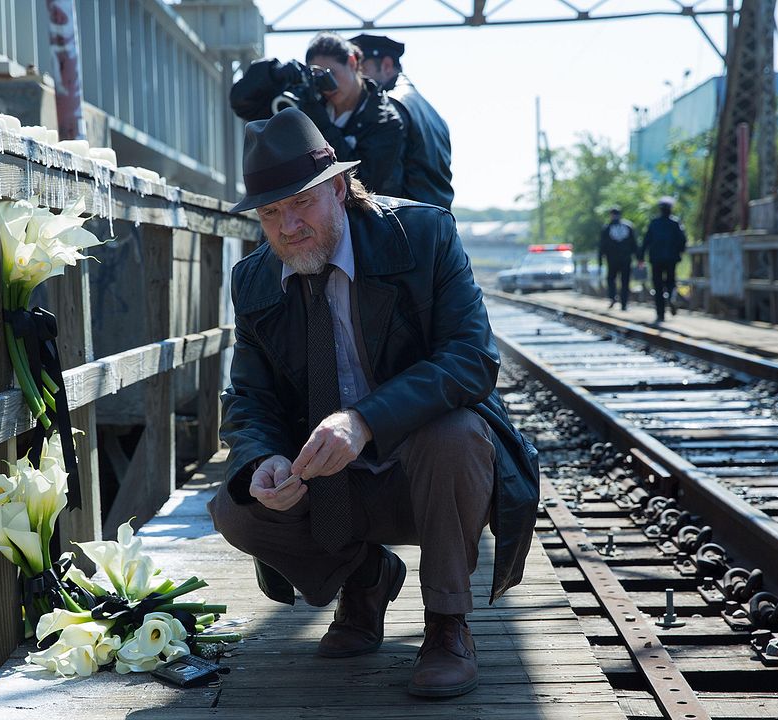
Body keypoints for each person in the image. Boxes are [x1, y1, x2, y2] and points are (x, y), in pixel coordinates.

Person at [208, 108, 540, 699]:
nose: (288, 227)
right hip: (329, 482)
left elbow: (472, 358)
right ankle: (365, 578)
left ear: (338, 187)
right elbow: (250, 399)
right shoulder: (253, 279)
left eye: (301, 203)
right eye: (270, 213)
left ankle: (446, 624)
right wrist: (260, 461)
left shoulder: (425, 235)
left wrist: (365, 421)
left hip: (426, 469)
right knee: (236, 506)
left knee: (455, 433)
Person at [229, 32, 405, 197]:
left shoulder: (385, 120)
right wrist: (273, 74)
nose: (327, 86)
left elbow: (362, 183)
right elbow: (243, 104)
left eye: (331, 74)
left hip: (354, 224)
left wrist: (318, 122)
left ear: (352, 63)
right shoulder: (308, 101)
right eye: (317, 76)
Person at [350, 33, 454, 209]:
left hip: (405, 223)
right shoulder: (432, 112)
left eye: (361, 69)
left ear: (387, 65)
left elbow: (381, 182)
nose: (356, 80)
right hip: (435, 224)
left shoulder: (388, 107)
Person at [638, 196, 687, 323]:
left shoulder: (654, 223)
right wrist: (680, 252)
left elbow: (646, 241)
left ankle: (660, 314)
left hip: (656, 259)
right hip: (671, 259)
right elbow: (682, 240)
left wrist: (641, 257)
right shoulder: (675, 223)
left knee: (658, 285)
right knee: (671, 281)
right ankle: (671, 296)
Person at [598, 206, 638, 310]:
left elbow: (602, 245)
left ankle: (613, 297)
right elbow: (634, 244)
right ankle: (624, 304)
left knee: (611, 279)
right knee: (625, 281)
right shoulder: (628, 226)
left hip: (612, 260)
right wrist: (639, 257)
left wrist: (600, 259)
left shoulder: (607, 228)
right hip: (626, 259)